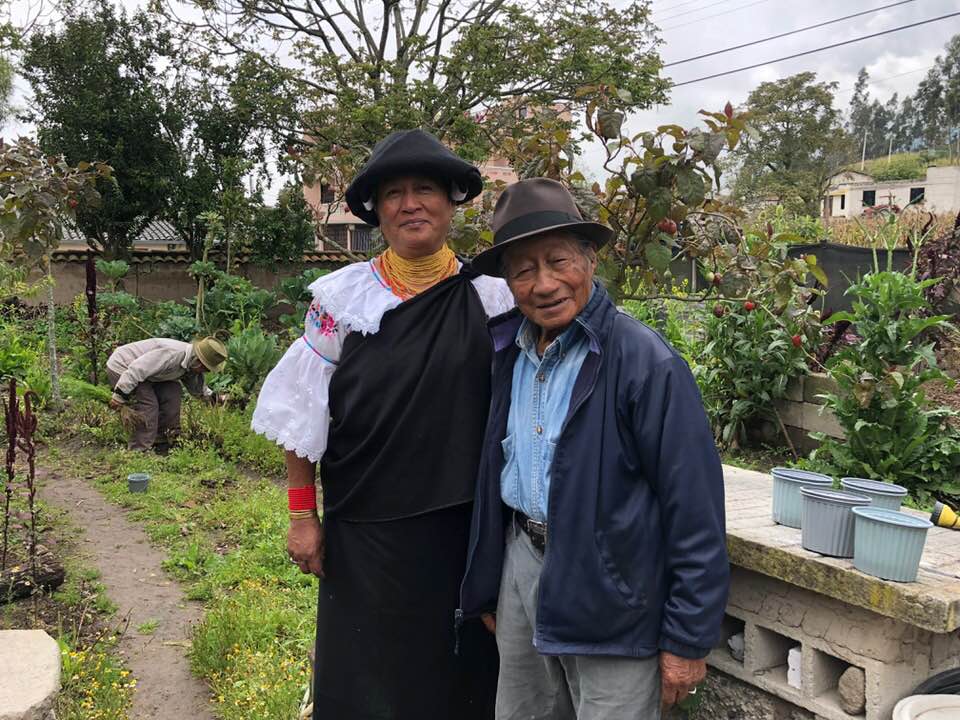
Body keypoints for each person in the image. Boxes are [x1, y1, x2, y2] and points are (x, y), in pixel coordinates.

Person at [251, 129, 513, 719]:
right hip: (364, 530)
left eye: (425, 189)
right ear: (376, 211)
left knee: (457, 676)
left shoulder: (496, 299)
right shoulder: (341, 300)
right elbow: (301, 415)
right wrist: (301, 515)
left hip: (463, 530)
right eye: (394, 193)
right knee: (367, 678)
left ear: (451, 202)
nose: (410, 203)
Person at [459, 178, 729, 720]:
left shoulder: (644, 361)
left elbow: (694, 508)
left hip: (613, 591)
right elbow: (499, 474)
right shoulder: (508, 354)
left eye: (559, 261)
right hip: (523, 568)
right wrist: (492, 584)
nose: (544, 284)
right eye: (523, 270)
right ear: (508, 282)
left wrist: (687, 638)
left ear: (589, 260)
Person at [107, 336, 227, 453]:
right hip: (123, 367)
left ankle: (162, 440)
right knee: (148, 404)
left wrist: (216, 399)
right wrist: (119, 395)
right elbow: (137, 370)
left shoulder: (191, 363)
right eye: (206, 369)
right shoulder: (172, 354)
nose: (207, 372)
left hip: (149, 375)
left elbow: (197, 388)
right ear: (199, 363)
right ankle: (139, 450)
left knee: (173, 391)